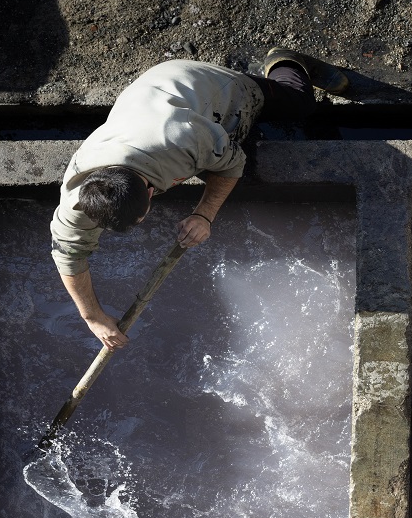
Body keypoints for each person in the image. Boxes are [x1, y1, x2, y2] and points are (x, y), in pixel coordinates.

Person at [50, 49, 348, 350]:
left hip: (206, 88)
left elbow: (233, 163)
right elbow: (68, 255)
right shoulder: (80, 196)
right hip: (149, 103)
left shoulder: (182, 140)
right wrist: (93, 318)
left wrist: (204, 214)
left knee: (297, 104)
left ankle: (286, 62)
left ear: (151, 191)